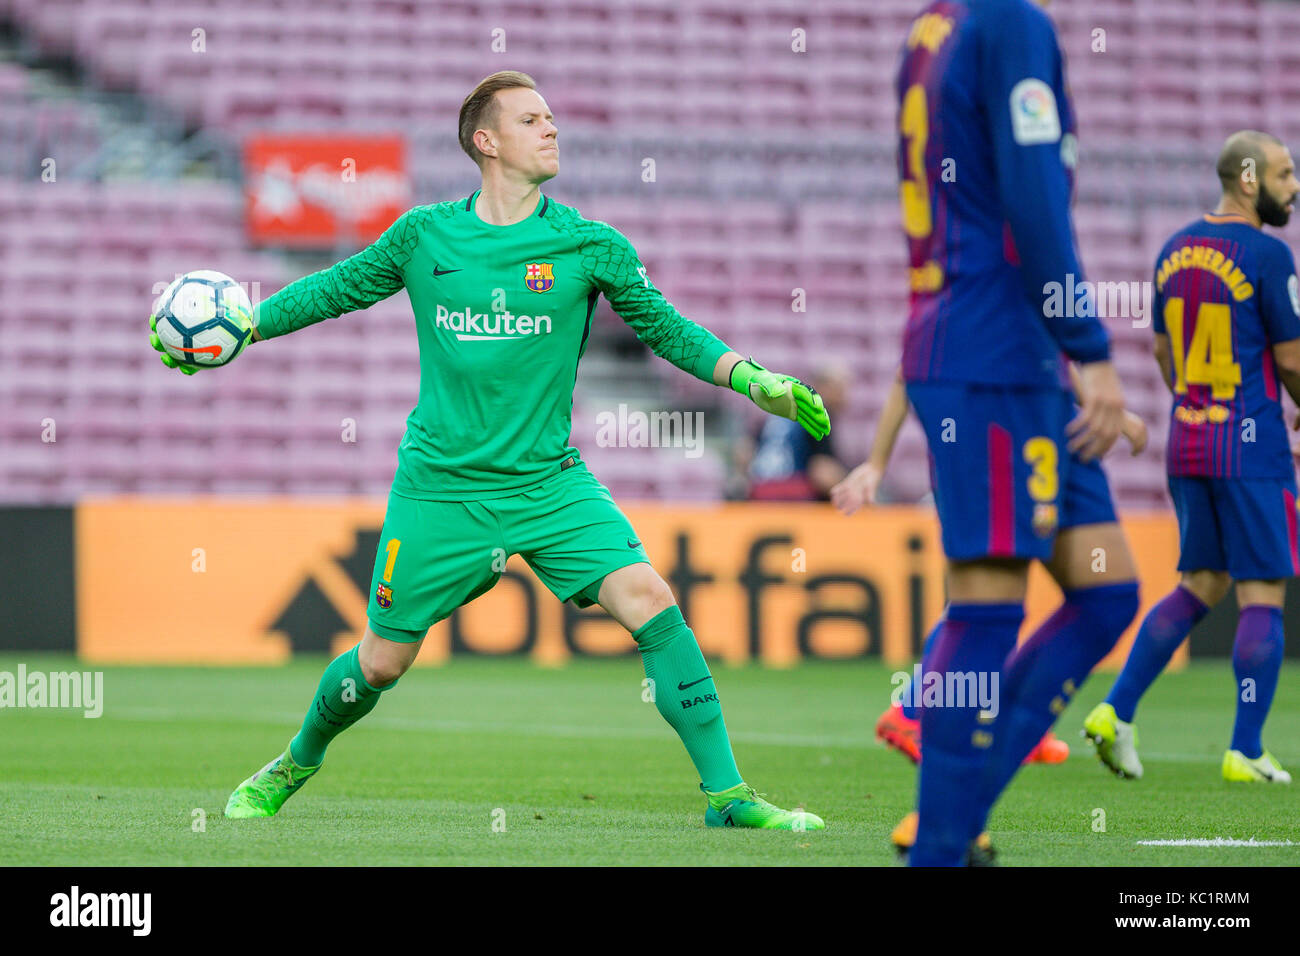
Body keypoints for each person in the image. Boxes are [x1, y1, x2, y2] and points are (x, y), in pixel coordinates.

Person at [153, 71, 831, 830]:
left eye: (551, 118)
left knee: (651, 601)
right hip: (440, 488)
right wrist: (248, 326)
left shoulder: (590, 244)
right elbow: (334, 289)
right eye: (532, 119)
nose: (551, 130)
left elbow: (667, 329)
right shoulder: (423, 236)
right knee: (382, 662)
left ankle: (728, 798)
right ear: (487, 141)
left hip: (548, 484)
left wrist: (752, 378)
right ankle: (294, 762)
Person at [888, 0, 1141, 865]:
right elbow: (1034, 202)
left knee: (1106, 590)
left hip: (1007, 360)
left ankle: (951, 820)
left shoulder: (935, 27)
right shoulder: (1011, 24)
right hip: (994, 355)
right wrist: (1090, 347)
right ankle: (943, 846)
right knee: (988, 603)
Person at [1085, 130, 1300, 785]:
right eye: (1285, 175)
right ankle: (1245, 748)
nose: (1293, 188)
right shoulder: (1269, 255)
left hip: (1190, 439)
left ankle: (1114, 712)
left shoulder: (1175, 248)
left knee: (1200, 583)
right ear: (1246, 178)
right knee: (1263, 591)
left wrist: (1197, 404)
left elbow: (1159, 351)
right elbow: (1290, 358)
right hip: (1252, 443)